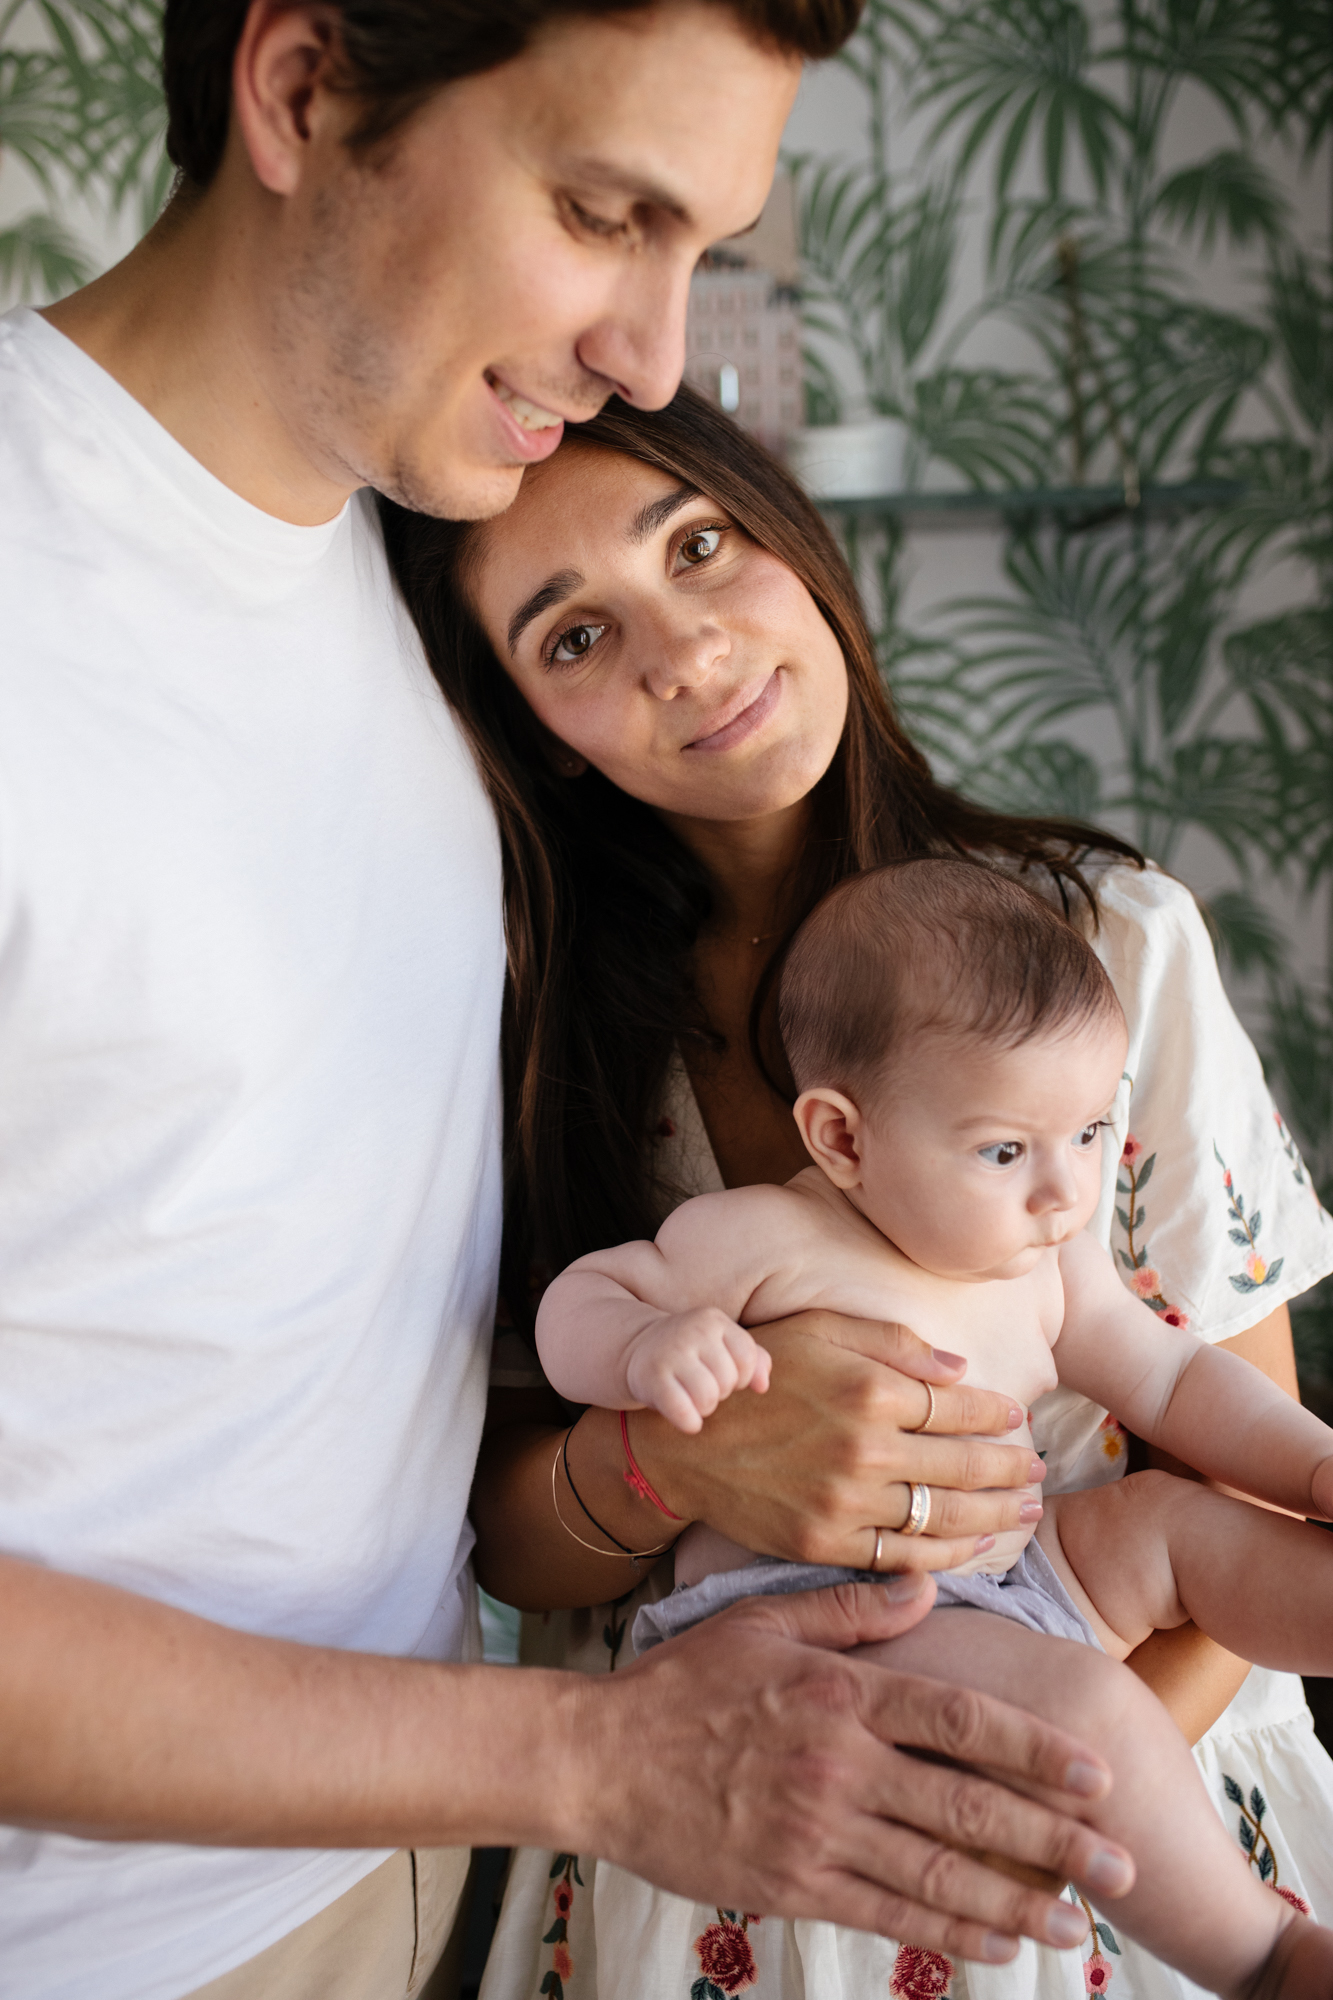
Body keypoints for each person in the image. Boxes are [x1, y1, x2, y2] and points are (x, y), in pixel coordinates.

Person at [0, 3, 1133, 1996]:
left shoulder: (416, 565)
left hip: (445, 1873)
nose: (658, 358)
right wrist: (594, 1758)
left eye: (700, 246)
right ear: (301, 89)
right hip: (115, 1937)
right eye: (608, 215)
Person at [381, 386, 1333, 2000]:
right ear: (525, 723)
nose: (684, 651)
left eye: (699, 546)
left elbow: (1214, 1448)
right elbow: (507, 1540)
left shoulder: (1107, 951)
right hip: (725, 1803)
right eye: (575, 638)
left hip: (1127, 1805)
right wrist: (676, 1455)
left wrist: (1035, 1795)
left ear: (793, 537)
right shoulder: (538, 1038)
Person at [535, 854, 1333, 1998]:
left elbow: (1170, 1381)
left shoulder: (1047, 1261)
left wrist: (1309, 1465)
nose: (1064, 1190)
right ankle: (1263, 1956)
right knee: (1092, 1708)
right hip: (826, 1630)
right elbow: (580, 1302)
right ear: (843, 1139)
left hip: (1014, 1576)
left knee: (1175, 1525)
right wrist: (644, 1346)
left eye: (1089, 1131)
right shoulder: (762, 1237)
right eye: (1005, 1149)